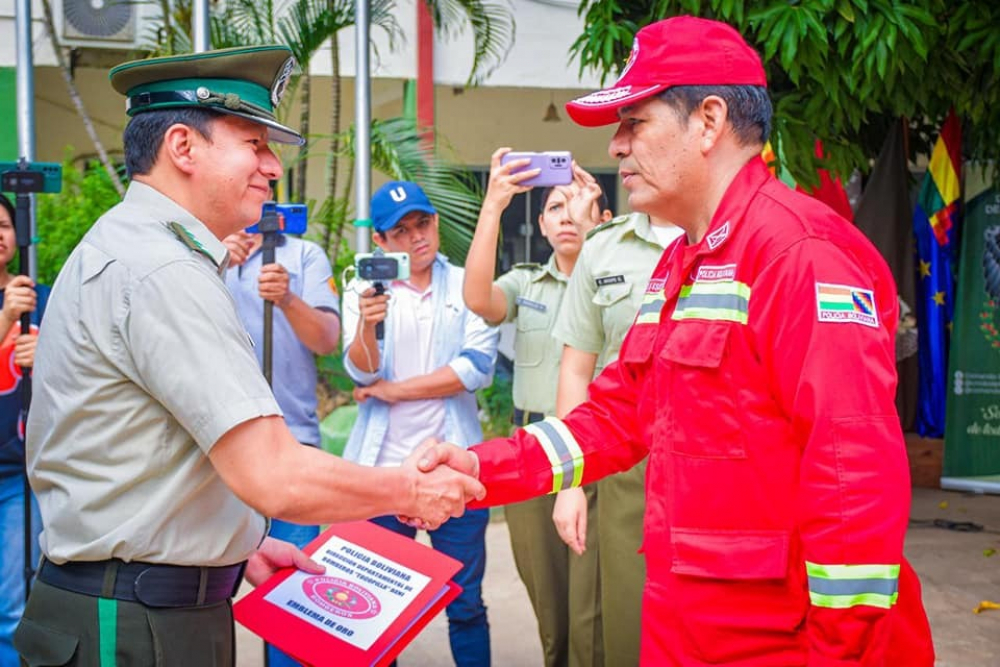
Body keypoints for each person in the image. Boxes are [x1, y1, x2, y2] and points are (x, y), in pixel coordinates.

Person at [417, 16, 936, 665]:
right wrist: (481, 468)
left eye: (635, 122)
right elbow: (620, 412)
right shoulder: (682, 264)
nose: (617, 145)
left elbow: (851, 484)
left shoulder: (800, 256)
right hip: (688, 627)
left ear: (709, 121)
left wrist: (838, 652)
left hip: (776, 642)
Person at [15, 46, 482, 667]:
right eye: (254, 144)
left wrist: (239, 544)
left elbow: (154, 455)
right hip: (132, 626)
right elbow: (275, 474)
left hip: (145, 604)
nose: (271, 165)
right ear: (183, 147)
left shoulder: (139, 246)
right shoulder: (160, 269)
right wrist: (409, 491)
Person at [341, 180, 500, 667]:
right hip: (384, 473)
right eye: (401, 230)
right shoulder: (364, 286)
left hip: (453, 471)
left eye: (423, 223)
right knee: (376, 608)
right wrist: (368, 323)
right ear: (382, 241)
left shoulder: (465, 283)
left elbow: (474, 369)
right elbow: (360, 370)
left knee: (466, 601)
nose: (417, 237)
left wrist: (392, 391)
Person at [462, 148, 611, 667]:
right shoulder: (526, 283)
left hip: (606, 457)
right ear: (542, 225)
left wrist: (597, 249)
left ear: (602, 217)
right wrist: (494, 206)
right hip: (538, 460)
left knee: (597, 613)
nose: (566, 215)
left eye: (577, 203)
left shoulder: (618, 282)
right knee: (551, 610)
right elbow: (478, 298)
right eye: (554, 206)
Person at [550, 210, 682, 667]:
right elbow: (576, 368)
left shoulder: (750, 234)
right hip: (625, 457)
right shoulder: (604, 246)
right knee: (625, 617)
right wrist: (570, 484)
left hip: (718, 461)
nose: (620, 148)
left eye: (636, 131)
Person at [222, 227, 341, 667]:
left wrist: (288, 298)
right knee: (205, 591)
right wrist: (215, 265)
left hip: (293, 440)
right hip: (214, 447)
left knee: (293, 592)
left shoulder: (304, 254)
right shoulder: (198, 250)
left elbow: (327, 339)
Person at [0, 193, 48, 667]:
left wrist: (47, 356)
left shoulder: (41, 299)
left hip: (18, 473)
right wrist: (6, 318)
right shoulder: (16, 307)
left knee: (14, 605)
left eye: (4, 224)